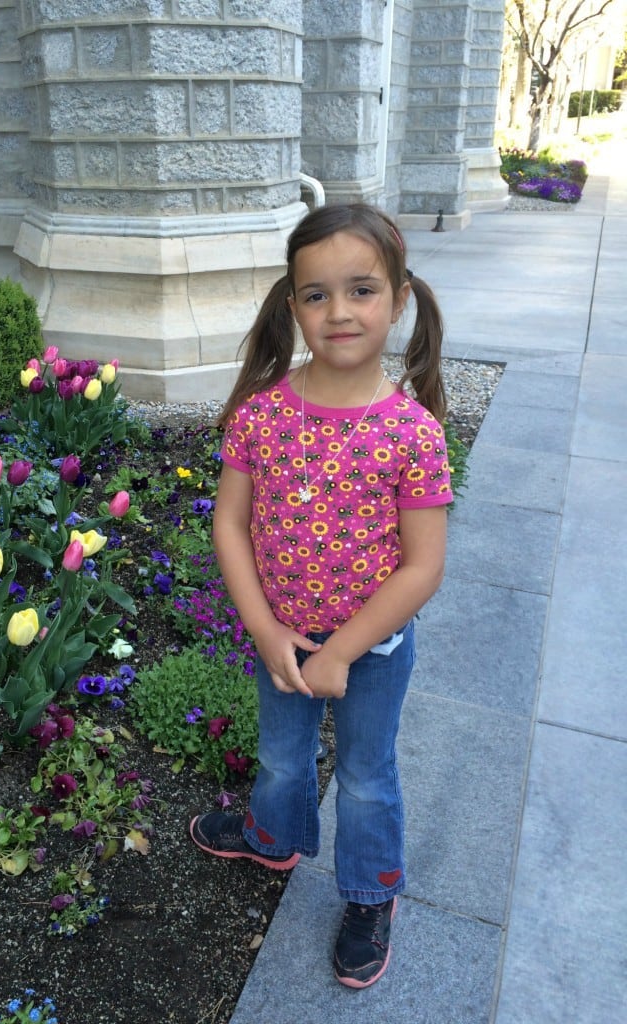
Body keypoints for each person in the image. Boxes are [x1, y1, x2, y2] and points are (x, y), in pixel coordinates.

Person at [189, 203, 453, 989]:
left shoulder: (412, 433)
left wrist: (341, 650)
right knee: (280, 753)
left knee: (368, 773)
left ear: (400, 299)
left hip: (370, 650)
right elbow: (229, 527)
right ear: (293, 304)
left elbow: (422, 566)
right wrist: (269, 631)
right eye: (316, 295)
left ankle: (372, 892)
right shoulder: (263, 415)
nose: (339, 311)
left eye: (362, 289)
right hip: (282, 636)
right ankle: (272, 835)